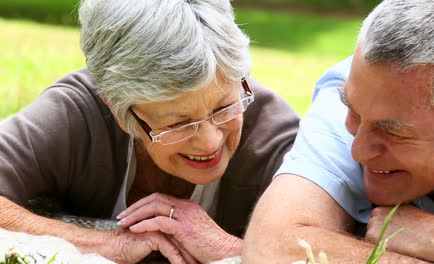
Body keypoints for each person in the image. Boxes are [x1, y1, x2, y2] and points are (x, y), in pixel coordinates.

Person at [0, 0, 299, 263]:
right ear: (118, 110)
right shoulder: (75, 113)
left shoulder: (278, 138)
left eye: (224, 108)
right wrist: (107, 243)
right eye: (177, 123)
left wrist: (228, 249)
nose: (211, 140)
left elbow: (336, 250)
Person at [242, 0, 434, 263]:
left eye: (393, 132)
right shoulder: (367, 87)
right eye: (353, 112)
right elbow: (275, 245)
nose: (357, 152)